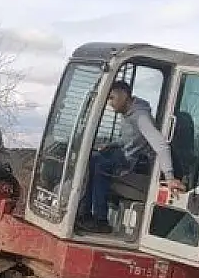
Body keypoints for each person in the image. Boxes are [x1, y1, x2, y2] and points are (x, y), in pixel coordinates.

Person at [76, 80, 186, 234]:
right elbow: (129, 140)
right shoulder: (127, 113)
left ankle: (100, 220)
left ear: (125, 95)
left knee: (100, 165)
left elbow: (161, 144)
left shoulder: (140, 116)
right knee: (93, 158)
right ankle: (84, 214)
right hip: (126, 157)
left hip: (137, 165)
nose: (109, 103)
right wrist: (111, 144)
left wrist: (169, 177)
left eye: (111, 98)